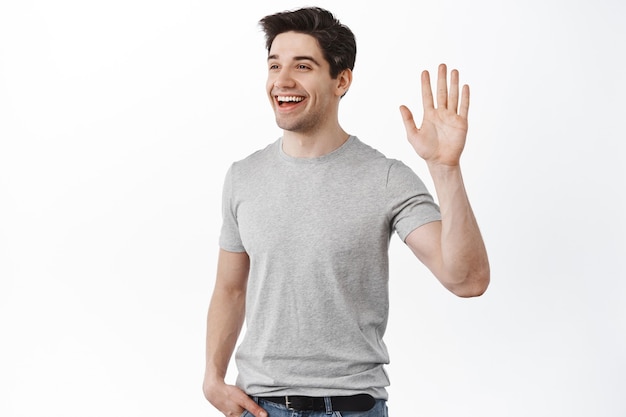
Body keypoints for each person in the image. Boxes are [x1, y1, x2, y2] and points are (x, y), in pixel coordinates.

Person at [202, 6, 490, 417]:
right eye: (274, 65)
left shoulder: (386, 178)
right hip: (261, 406)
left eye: (303, 66)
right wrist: (212, 379)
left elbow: (468, 280)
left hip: (352, 408)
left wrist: (445, 169)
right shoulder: (243, 177)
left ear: (341, 80)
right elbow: (229, 289)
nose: (282, 81)